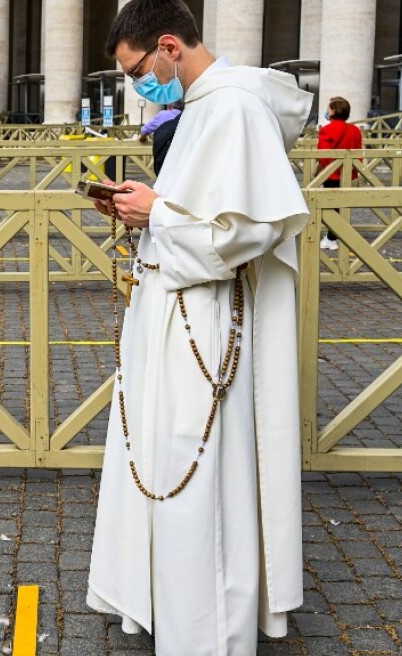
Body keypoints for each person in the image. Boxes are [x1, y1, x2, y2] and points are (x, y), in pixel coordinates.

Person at [87, 1, 311, 654]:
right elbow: (201, 209)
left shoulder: (234, 108)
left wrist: (157, 213)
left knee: (200, 485)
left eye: (136, 71)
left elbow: (247, 231)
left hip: (205, 328)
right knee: (172, 472)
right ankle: (177, 613)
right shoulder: (203, 108)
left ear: (167, 46)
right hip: (175, 319)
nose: (137, 85)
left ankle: (208, 634)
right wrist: (144, 208)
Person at [316, 96, 363, 250]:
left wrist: (326, 168)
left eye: (328, 109)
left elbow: (323, 154)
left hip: (330, 173)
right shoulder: (355, 130)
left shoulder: (327, 130)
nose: (327, 111)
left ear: (334, 111)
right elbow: (358, 153)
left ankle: (331, 238)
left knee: (329, 205)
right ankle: (333, 236)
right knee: (341, 206)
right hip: (347, 173)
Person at [139, 100, 184, 175]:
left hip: (163, 153)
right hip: (180, 155)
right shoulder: (186, 116)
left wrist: (143, 139)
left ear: (170, 106)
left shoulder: (163, 114)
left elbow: (144, 130)